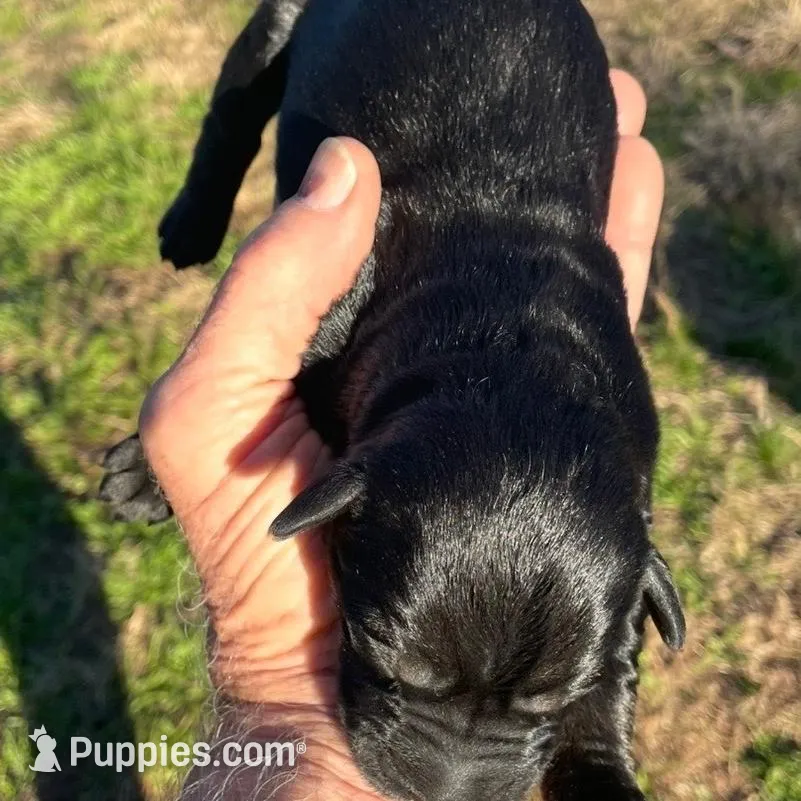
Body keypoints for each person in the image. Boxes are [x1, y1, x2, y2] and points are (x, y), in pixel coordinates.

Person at [139, 70, 665, 800]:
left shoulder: (622, 450)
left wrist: (594, 761)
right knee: (257, 71)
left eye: (542, 705)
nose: (454, 781)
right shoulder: (352, 327)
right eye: (400, 669)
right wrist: (210, 190)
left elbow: (606, 609)